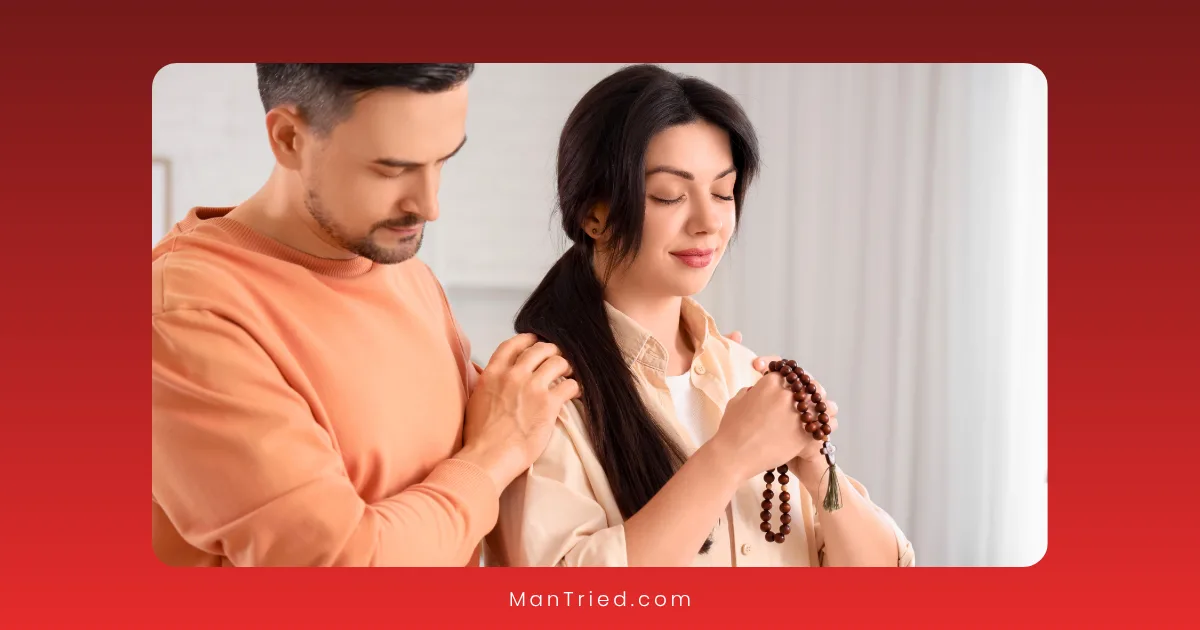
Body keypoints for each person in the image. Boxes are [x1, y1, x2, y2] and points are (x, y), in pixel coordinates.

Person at [151, 63, 769, 567]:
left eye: (443, 159)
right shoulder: (185, 310)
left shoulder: (402, 271)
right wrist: (494, 455)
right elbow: (343, 568)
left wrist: (685, 386)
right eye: (391, 168)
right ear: (288, 138)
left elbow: (501, 416)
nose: (430, 204)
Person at [487, 65, 916, 567]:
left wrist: (818, 467)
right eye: (670, 195)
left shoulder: (746, 373)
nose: (709, 222)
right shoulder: (542, 394)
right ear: (594, 215)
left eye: (723, 192)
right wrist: (729, 455)